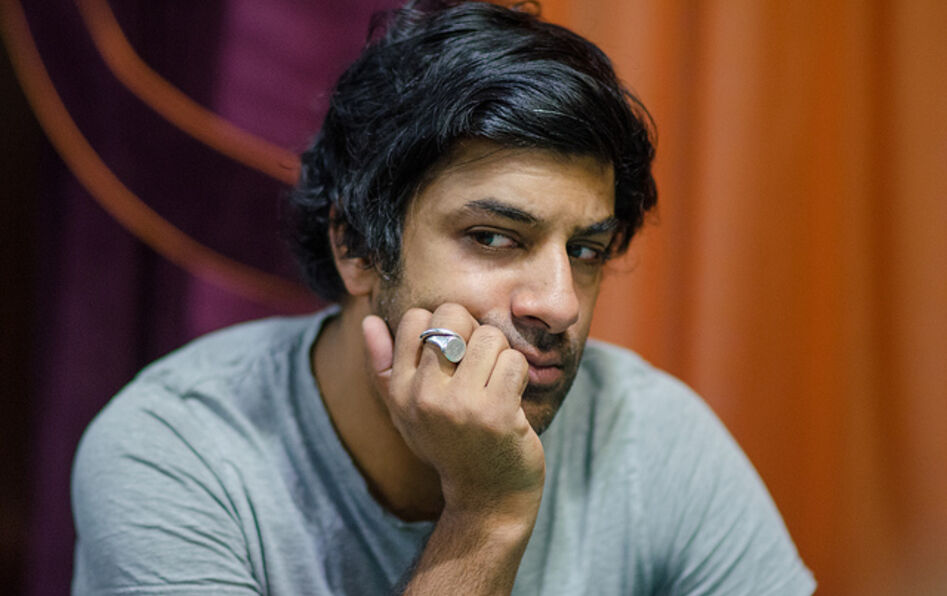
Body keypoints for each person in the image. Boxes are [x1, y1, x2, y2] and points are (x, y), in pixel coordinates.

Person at [71, 1, 816, 594]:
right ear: (356, 247)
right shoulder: (178, 452)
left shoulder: (653, 437)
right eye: (493, 237)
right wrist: (487, 515)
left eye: (584, 250)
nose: (559, 304)